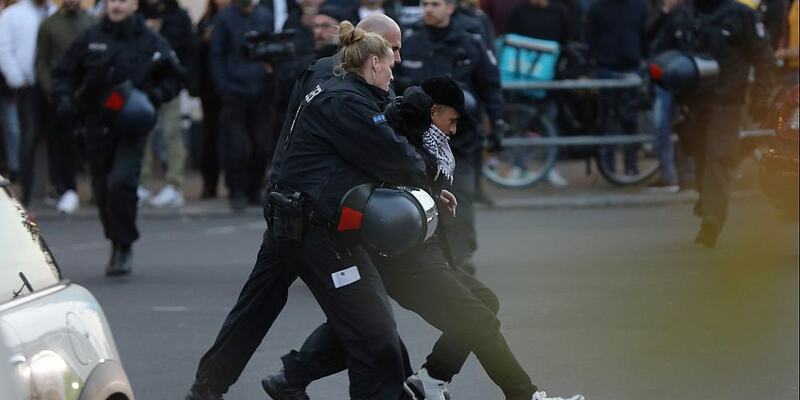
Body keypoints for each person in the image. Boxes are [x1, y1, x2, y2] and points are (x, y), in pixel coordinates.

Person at [262, 78, 585, 400]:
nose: (454, 130)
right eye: (452, 120)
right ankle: (522, 395)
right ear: (434, 111)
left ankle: (421, 379)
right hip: (407, 260)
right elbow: (394, 173)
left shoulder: (421, 141)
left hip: (417, 253)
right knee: (473, 321)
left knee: (372, 325)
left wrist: (431, 193)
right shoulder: (404, 137)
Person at [184, 16, 424, 400]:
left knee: (256, 310)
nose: (398, 60)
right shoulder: (347, 102)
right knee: (371, 328)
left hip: (288, 209)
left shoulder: (322, 70)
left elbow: (292, 135)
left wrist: (277, 185)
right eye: (393, 50)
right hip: (319, 228)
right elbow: (402, 161)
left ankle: (210, 388)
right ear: (373, 55)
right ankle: (294, 380)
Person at [51, 0, 184, 275]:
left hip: (132, 126)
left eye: (123, 0)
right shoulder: (90, 37)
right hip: (96, 125)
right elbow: (64, 73)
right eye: (111, 0)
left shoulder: (150, 40)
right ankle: (114, 239)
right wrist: (63, 98)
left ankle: (124, 245)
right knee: (101, 189)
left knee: (120, 184)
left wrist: (155, 97)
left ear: (134, 5)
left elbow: (175, 76)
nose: (116, 6)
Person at [394, 0, 507, 275]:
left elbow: (491, 86)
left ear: (450, 8)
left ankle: (460, 257)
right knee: (419, 197)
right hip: (419, 139)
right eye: (425, 4)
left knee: (461, 196)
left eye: (435, 4)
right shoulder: (410, 42)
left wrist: (498, 124)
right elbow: (395, 88)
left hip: (461, 138)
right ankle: (420, 256)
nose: (428, 9)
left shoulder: (471, 43)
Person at [651, 0, 774, 247]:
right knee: (700, 158)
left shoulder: (741, 16)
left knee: (719, 157)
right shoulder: (682, 15)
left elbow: (763, 56)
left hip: (726, 103)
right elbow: (660, 53)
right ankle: (707, 200)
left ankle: (713, 219)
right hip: (691, 105)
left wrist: (762, 93)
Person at [210, 0, 275, 211]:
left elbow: (271, 49)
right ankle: (236, 190)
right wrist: (224, 86)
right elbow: (217, 55)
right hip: (234, 91)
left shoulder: (264, 15)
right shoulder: (225, 17)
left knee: (261, 143)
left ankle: (254, 189)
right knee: (236, 145)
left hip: (261, 90)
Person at [35, 0, 95, 214]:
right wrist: (51, 90)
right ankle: (68, 189)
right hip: (62, 94)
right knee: (63, 144)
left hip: (88, 94)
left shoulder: (91, 21)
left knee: (92, 143)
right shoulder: (50, 24)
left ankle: (96, 190)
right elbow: (41, 61)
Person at [136, 0, 192, 208]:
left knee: (172, 133)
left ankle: (174, 185)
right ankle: (141, 183)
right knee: (143, 132)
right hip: (144, 82)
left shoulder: (177, 15)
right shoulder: (137, 13)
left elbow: (186, 47)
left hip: (170, 83)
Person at [0, 0, 56, 206]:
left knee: (56, 139)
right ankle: (28, 191)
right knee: (28, 137)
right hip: (27, 86)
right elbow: (4, 48)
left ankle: (56, 190)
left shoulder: (53, 11)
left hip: (52, 86)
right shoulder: (13, 15)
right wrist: (17, 78)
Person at [584, 0, 649, 177]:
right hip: (607, 67)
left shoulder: (639, 6)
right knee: (607, 118)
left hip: (629, 67)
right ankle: (609, 165)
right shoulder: (597, 7)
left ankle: (630, 164)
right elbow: (589, 38)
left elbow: (644, 36)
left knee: (629, 119)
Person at [190, 0, 231, 199]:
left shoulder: (237, 18)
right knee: (211, 136)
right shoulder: (206, 21)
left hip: (233, 85)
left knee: (233, 135)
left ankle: (235, 184)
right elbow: (195, 51)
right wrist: (203, 41)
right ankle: (210, 184)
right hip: (210, 88)